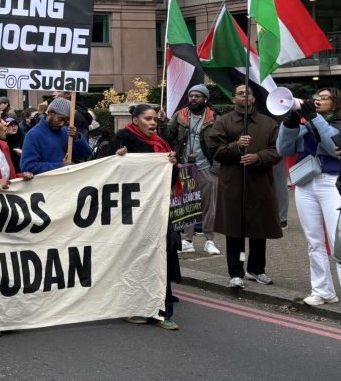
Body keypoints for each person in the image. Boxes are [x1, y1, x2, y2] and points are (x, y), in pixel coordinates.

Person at [106, 104, 181, 330]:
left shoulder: (161, 143)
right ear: (135, 119)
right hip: (132, 212)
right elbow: (104, 167)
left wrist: (172, 164)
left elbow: (171, 178)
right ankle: (139, 308)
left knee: (160, 257)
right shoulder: (122, 139)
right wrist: (116, 157)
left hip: (157, 211)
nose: (153, 123)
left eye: (155, 119)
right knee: (137, 258)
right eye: (148, 118)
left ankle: (163, 311)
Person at [205, 84, 282, 289]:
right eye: (240, 93)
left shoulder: (268, 123)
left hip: (259, 183)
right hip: (233, 183)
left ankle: (256, 269)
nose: (245, 96)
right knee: (234, 229)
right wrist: (236, 146)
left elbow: (277, 150)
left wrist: (258, 157)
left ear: (254, 98)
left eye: (248, 93)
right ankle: (235, 272)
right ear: (233, 99)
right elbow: (215, 150)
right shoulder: (223, 122)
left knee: (259, 228)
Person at [276, 88, 341, 306]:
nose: (318, 100)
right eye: (316, 98)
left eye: (324, 98)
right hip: (305, 184)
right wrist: (290, 123)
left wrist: (313, 117)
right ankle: (322, 291)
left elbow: (334, 146)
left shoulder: (336, 123)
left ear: (336, 102)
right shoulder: (305, 124)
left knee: (338, 241)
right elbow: (283, 149)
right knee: (314, 242)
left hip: (332, 183)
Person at [165, 84, 221, 255]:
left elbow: (222, 143)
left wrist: (216, 168)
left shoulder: (215, 117)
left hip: (207, 167)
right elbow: (168, 136)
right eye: (191, 96)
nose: (194, 99)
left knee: (209, 205)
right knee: (187, 204)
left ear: (205, 99)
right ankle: (187, 240)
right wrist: (162, 123)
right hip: (184, 166)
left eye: (198, 96)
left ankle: (209, 240)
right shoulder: (180, 116)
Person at [20, 98, 92, 174]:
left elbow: (86, 154)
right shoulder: (33, 135)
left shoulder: (66, 131)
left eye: (65, 121)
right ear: (50, 113)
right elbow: (28, 166)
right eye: (60, 119)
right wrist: (61, 166)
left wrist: (77, 137)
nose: (62, 124)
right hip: (48, 184)